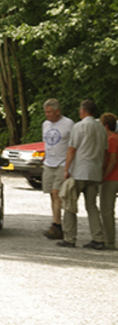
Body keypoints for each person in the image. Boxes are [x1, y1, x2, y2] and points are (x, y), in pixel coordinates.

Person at [58, 98, 107, 250]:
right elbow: (105, 152)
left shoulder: (79, 127)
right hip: (95, 172)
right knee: (92, 206)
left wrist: (66, 169)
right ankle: (98, 238)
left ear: (83, 111)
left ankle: (70, 238)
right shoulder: (101, 128)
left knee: (70, 204)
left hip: (80, 171)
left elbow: (72, 148)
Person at [41, 98, 74, 240]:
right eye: (46, 112)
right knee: (51, 193)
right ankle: (56, 221)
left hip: (62, 163)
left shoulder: (68, 124)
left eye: (50, 112)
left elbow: (73, 145)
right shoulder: (45, 125)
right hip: (49, 163)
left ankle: (57, 225)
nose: (47, 115)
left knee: (57, 193)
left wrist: (69, 165)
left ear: (57, 111)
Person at [99, 112, 118, 250]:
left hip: (111, 178)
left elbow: (112, 161)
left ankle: (109, 241)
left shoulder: (111, 139)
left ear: (105, 126)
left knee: (106, 210)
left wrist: (103, 176)